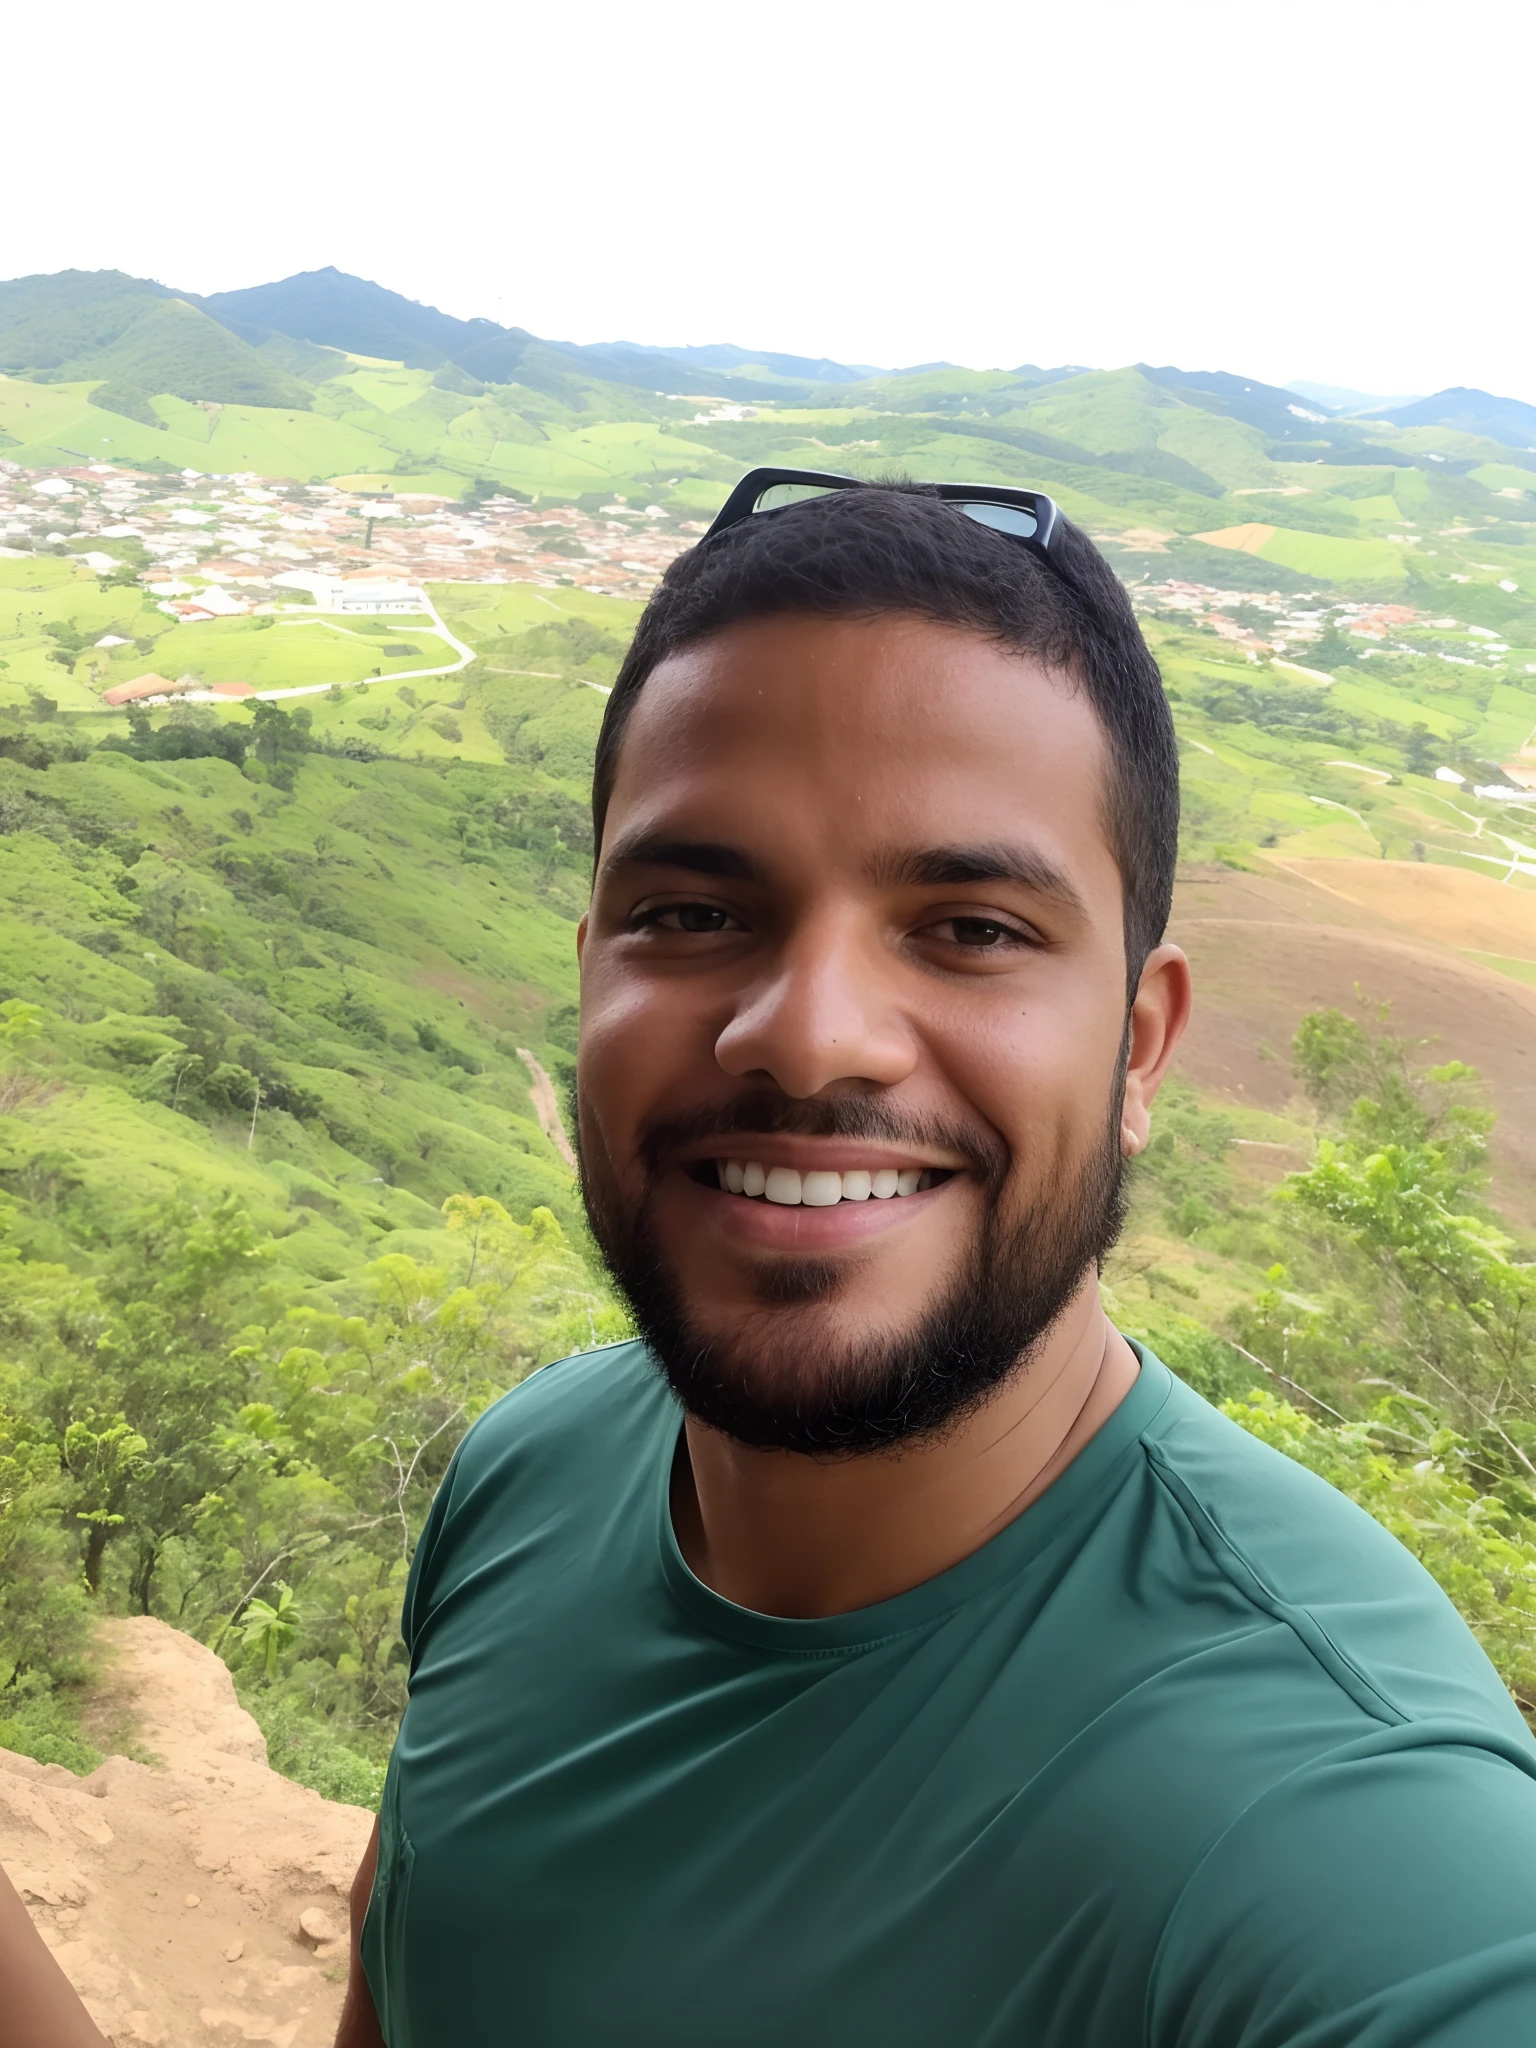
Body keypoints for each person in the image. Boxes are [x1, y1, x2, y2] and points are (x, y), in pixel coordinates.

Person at [330, 473, 1536, 2046]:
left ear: (1141, 1048)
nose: (810, 1031)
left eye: (971, 927)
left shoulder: (1347, 1832)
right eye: (692, 911)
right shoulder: (531, 1471)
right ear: (589, 971)